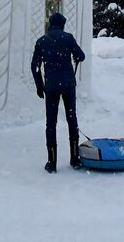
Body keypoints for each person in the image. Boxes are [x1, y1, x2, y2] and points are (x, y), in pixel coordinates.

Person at [31, 12, 86, 173]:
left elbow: (35, 67)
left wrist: (39, 86)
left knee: (51, 122)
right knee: (71, 118)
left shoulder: (41, 41)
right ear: (62, 24)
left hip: (51, 87)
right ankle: (75, 158)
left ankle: (52, 162)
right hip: (68, 84)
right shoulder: (68, 38)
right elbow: (81, 56)